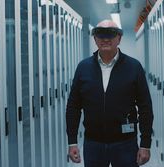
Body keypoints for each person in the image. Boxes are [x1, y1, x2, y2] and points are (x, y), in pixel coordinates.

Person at [66, 20, 154, 167]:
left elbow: (145, 107)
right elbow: (73, 107)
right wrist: (72, 142)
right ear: (95, 39)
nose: (105, 39)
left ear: (119, 38)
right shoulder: (83, 68)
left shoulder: (133, 67)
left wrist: (145, 144)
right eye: (100, 34)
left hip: (125, 143)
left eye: (111, 34)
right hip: (93, 144)